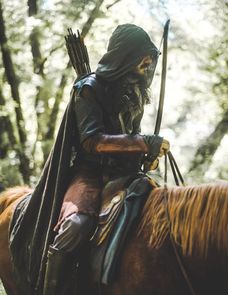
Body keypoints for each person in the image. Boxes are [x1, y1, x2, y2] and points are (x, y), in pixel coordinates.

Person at [43, 23, 170, 294]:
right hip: (90, 174)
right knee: (77, 226)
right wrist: (142, 142)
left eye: (149, 60)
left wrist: (145, 156)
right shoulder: (88, 88)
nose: (147, 65)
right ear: (125, 55)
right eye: (142, 58)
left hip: (126, 175)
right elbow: (93, 141)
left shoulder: (134, 91)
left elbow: (130, 137)